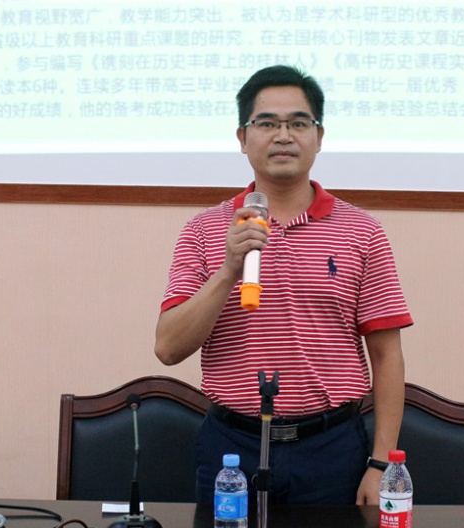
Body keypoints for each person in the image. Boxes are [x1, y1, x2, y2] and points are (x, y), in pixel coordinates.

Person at [155, 65, 412, 505]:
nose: (283, 136)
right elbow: (168, 348)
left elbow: (387, 357)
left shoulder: (362, 231)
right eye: (267, 123)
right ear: (243, 138)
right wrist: (228, 269)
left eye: (298, 123)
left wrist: (381, 464)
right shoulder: (204, 230)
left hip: (332, 449)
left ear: (319, 136)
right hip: (232, 448)